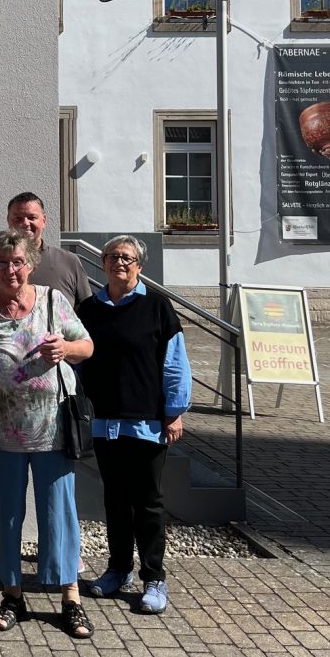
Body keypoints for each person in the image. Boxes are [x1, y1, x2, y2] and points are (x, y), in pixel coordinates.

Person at [0, 230, 95, 640]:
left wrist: (66, 351)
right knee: (6, 518)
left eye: (17, 261)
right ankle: (12, 594)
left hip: (53, 431)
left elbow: (88, 345)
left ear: (30, 264)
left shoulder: (54, 301)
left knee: (60, 516)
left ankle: (70, 598)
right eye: (2, 263)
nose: (10, 270)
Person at [77, 235, 192, 615]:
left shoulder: (157, 306)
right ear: (103, 263)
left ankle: (154, 578)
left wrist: (174, 411)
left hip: (147, 424)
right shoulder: (89, 308)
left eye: (126, 258)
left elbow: (175, 362)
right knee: (115, 501)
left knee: (148, 504)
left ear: (139, 266)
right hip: (106, 422)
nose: (118, 263)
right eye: (112, 257)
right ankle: (118, 570)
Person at [0, 191, 91, 570]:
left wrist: (69, 352)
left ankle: (60, 573)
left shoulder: (66, 269)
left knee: (55, 501)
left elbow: (88, 336)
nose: (25, 224)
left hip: (51, 421)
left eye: (32, 218)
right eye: (17, 217)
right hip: (0, 421)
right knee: (3, 500)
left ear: (44, 220)